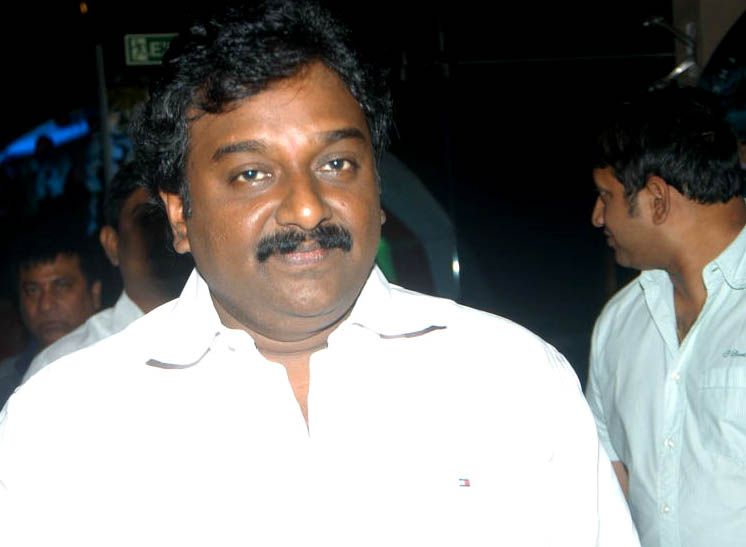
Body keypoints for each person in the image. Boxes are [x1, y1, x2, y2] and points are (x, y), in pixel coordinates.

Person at [0, 2, 638, 545]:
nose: (307, 207)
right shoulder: (67, 423)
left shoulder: (511, 379)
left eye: (336, 164)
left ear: (377, 188)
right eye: (252, 173)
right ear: (180, 216)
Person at [586, 86, 746, 547]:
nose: (597, 217)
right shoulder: (620, 322)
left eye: (606, 196)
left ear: (656, 198)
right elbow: (612, 476)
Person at [21, 161, 194, 382]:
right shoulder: (60, 368)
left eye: (180, 216)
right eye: (149, 219)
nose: (168, 232)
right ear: (112, 244)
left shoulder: (232, 335)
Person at [0, 220, 102, 407]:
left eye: (61, 286)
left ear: (94, 293)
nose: (46, 305)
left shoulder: (125, 363)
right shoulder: (6, 381)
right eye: (32, 290)